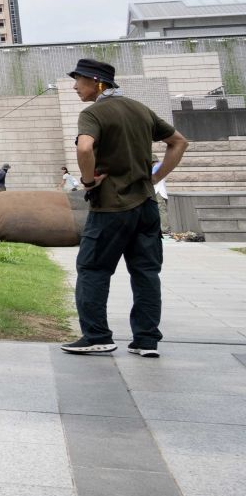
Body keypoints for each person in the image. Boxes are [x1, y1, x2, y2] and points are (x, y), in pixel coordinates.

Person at [61, 58, 189, 358]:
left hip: (110, 207)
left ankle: (96, 336)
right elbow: (179, 142)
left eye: (78, 79)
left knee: (92, 269)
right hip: (146, 206)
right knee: (145, 273)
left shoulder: (93, 113)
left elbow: (84, 147)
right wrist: (156, 177)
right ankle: (146, 341)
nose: (74, 86)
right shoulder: (140, 109)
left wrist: (88, 182)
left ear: (97, 82)